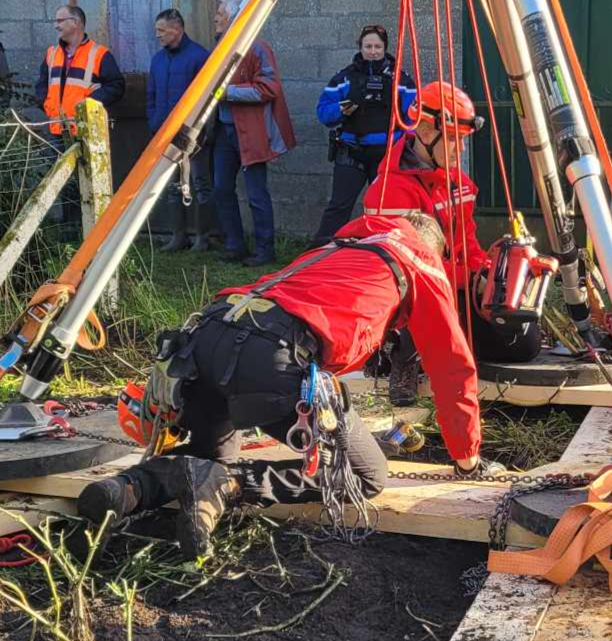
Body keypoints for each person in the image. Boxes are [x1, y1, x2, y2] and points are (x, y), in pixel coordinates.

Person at [76, 211, 504, 559]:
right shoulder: (421, 265)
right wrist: (467, 459)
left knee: (213, 453)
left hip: (207, 334)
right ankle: (227, 485)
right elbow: (453, 370)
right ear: (431, 248)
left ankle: (128, 488)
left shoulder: (342, 247)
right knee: (365, 473)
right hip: (273, 354)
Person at [362, 82, 543, 405]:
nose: (460, 150)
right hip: (412, 294)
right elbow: (406, 267)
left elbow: (468, 244)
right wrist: (469, 279)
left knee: (523, 344)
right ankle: (402, 352)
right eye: (454, 140)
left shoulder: (459, 185)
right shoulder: (390, 191)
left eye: (463, 140)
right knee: (414, 299)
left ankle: (443, 340)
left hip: (452, 285)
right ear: (426, 132)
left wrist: (487, 279)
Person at [311, 25, 417, 246]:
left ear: (385, 48)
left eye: (378, 46)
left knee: (389, 209)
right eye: (368, 46)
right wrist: (341, 109)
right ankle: (317, 254)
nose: (373, 51)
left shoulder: (402, 80)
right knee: (339, 206)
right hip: (352, 152)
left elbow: (414, 119)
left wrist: (405, 147)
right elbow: (323, 112)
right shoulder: (344, 78)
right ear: (360, 47)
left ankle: (391, 253)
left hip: (388, 157)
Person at [211, 0, 296, 267]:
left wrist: (228, 93)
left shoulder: (257, 47)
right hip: (225, 131)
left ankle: (265, 250)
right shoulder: (220, 47)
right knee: (221, 188)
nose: (215, 18)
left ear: (234, 18)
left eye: (220, 14)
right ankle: (235, 245)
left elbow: (270, 88)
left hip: (250, 132)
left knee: (257, 193)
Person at [147, 8, 213, 253]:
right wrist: (154, 123)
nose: (158, 35)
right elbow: (151, 96)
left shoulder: (199, 57)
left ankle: (203, 238)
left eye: (162, 30)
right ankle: (178, 237)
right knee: (172, 185)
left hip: (194, 137)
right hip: (165, 136)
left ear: (177, 29)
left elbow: (207, 100)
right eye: (157, 31)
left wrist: (201, 132)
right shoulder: (157, 60)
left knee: (200, 184)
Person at [35, 5, 125, 136]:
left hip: (87, 131)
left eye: (60, 21)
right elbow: (41, 85)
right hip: (55, 131)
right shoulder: (52, 53)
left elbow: (116, 87)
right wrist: (46, 105)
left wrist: (89, 102)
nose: (56, 26)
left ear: (75, 22)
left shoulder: (100, 54)